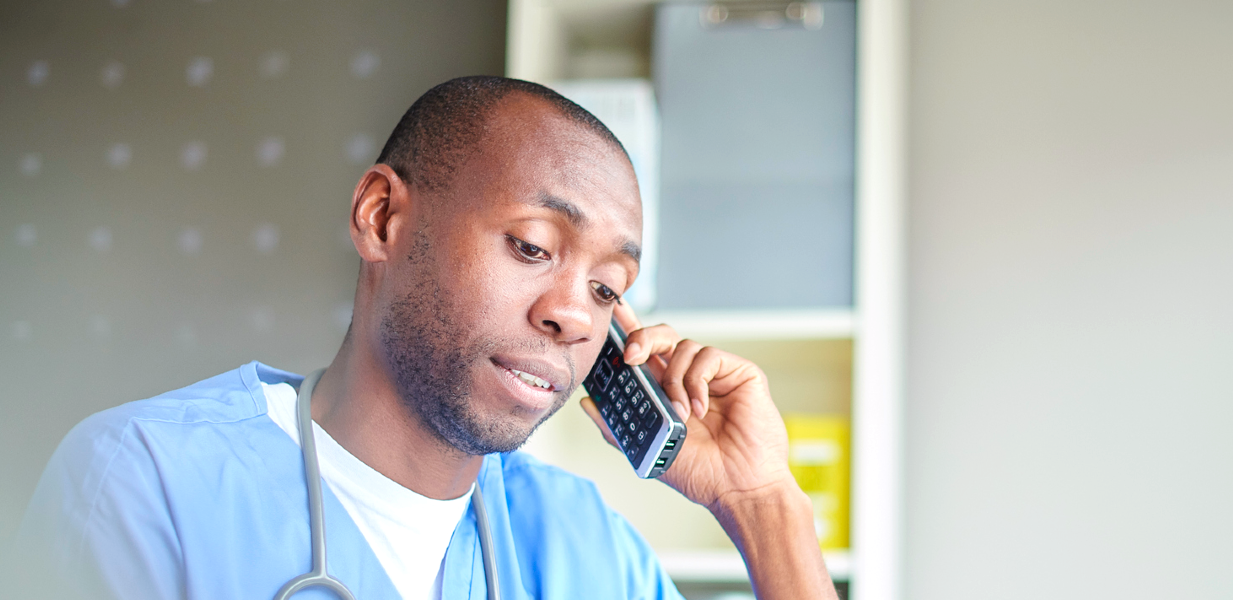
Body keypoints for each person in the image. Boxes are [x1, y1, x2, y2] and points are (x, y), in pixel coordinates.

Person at [3, 77, 836, 600]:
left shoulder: (580, 544)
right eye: (533, 247)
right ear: (383, 217)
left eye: (607, 288)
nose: (574, 316)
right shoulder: (144, 486)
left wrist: (764, 509)